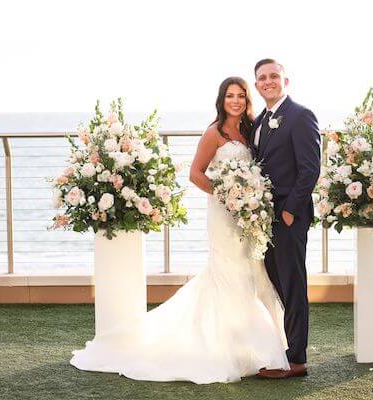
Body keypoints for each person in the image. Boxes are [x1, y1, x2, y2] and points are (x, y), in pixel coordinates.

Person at [70, 76, 289, 384]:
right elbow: (195, 174)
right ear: (221, 100)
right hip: (224, 214)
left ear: (247, 100)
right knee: (229, 274)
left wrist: (250, 201)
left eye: (241, 95)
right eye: (230, 96)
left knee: (254, 273)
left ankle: (255, 346)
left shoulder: (251, 130)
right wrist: (228, 196)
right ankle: (228, 351)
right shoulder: (214, 133)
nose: (236, 101)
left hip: (249, 215)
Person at [252, 59, 321, 379]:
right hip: (264, 217)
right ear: (256, 85)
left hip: (289, 215)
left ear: (285, 81)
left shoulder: (300, 116)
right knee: (275, 279)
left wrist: (291, 210)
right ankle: (282, 344)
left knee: (293, 284)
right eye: (262, 78)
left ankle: (297, 359)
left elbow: (310, 169)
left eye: (274, 76)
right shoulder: (258, 121)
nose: (268, 82)